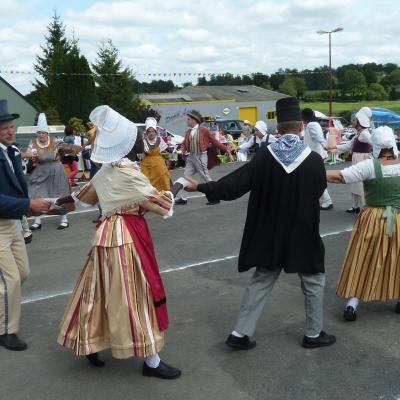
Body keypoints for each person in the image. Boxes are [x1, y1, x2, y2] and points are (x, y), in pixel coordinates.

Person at [184, 97, 336, 349]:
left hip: (269, 230)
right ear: (300, 126)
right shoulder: (313, 161)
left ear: (278, 128)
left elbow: (234, 185)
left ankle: (240, 333)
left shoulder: (265, 157)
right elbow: (319, 190)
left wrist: (201, 186)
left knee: (262, 278)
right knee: (313, 279)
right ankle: (313, 333)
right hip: (303, 230)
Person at [56, 105, 181, 380]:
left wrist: (55, 203)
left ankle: (88, 340)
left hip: (105, 236)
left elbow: (82, 197)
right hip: (127, 237)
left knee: (97, 291)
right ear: (128, 144)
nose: (139, 139)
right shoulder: (129, 174)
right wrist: (179, 186)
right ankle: (151, 360)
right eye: (136, 137)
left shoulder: (105, 172)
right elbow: (163, 207)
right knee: (136, 296)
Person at [327, 126, 400, 321]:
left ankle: (353, 302)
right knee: (397, 257)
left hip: (374, 219)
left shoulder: (370, 166)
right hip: (399, 218)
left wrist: (311, 170)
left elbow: (340, 176)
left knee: (363, 257)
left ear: (375, 146)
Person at [0, 99, 51, 351]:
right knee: (10, 280)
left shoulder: (10, 152)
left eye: (11, 126)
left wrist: (33, 207)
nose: (10, 130)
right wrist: (29, 205)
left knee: (22, 274)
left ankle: (3, 309)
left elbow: (19, 187)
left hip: (13, 223)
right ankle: (6, 331)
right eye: (4, 127)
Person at [174, 110, 230, 206]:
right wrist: (181, 151)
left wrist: (226, 149)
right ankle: (183, 199)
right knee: (186, 176)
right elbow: (184, 144)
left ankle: (215, 197)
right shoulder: (188, 132)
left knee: (206, 178)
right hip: (191, 157)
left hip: (200, 156)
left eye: (188, 119)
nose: (187, 121)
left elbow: (214, 141)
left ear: (194, 120)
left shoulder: (204, 130)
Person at [26, 113, 71, 230]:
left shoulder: (55, 142)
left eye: (43, 133)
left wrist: (63, 151)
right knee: (35, 194)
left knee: (60, 195)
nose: (41, 135)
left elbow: (65, 150)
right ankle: (37, 220)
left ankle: (64, 219)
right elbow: (28, 156)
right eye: (39, 133)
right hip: (40, 172)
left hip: (56, 170)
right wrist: (30, 156)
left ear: (47, 134)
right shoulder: (33, 144)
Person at [328, 107, 373, 213]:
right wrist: (335, 149)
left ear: (359, 122)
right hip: (357, 159)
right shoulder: (359, 134)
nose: (352, 122)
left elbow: (375, 143)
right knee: (355, 183)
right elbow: (349, 145)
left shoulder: (365, 134)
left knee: (360, 184)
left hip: (363, 159)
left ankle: (364, 207)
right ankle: (355, 205)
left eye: (354, 120)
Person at [302, 108, 333, 210]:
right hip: (315, 155)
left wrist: (325, 145)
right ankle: (320, 200)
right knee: (313, 178)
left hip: (315, 155)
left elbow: (319, 137)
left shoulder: (311, 125)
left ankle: (327, 201)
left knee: (317, 179)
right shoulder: (311, 124)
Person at [140, 117, 172, 191]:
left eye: (152, 131)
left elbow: (167, 149)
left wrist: (174, 151)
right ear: (147, 133)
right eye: (149, 131)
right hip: (146, 164)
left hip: (158, 163)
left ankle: (165, 194)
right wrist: (142, 151)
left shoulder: (159, 140)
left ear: (155, 132)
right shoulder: (143, 141)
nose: (151, 133)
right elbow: (140, 156)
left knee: (163, 176)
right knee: (146, 180)